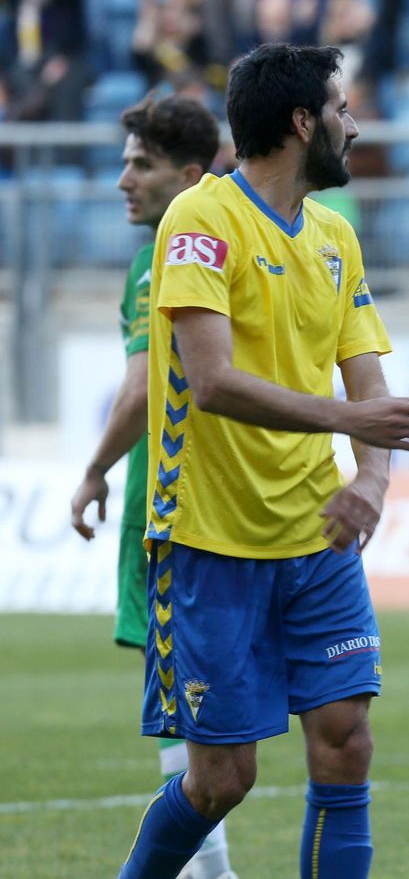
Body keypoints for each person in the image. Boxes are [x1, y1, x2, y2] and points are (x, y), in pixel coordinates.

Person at [115, 43, 409, 879]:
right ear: (304, 122)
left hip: (316, 538)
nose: (354, 125)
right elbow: (212, 383)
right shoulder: (199, 220)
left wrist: (371, 479)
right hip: (209, 539)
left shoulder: (336, 236)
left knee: (346, 742)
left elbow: (367, 380)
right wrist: (349, 421)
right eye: (342, 109)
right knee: (221, 781)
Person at [69, 94, 235, 879]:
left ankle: (213, 873)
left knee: (178, 697)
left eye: (141, 164)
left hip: (169, 501)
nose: (122, 180)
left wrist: (95, 469)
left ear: (191, 175)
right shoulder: (247, 236)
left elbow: (141, 392)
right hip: (242, 497)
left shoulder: (159, 259)